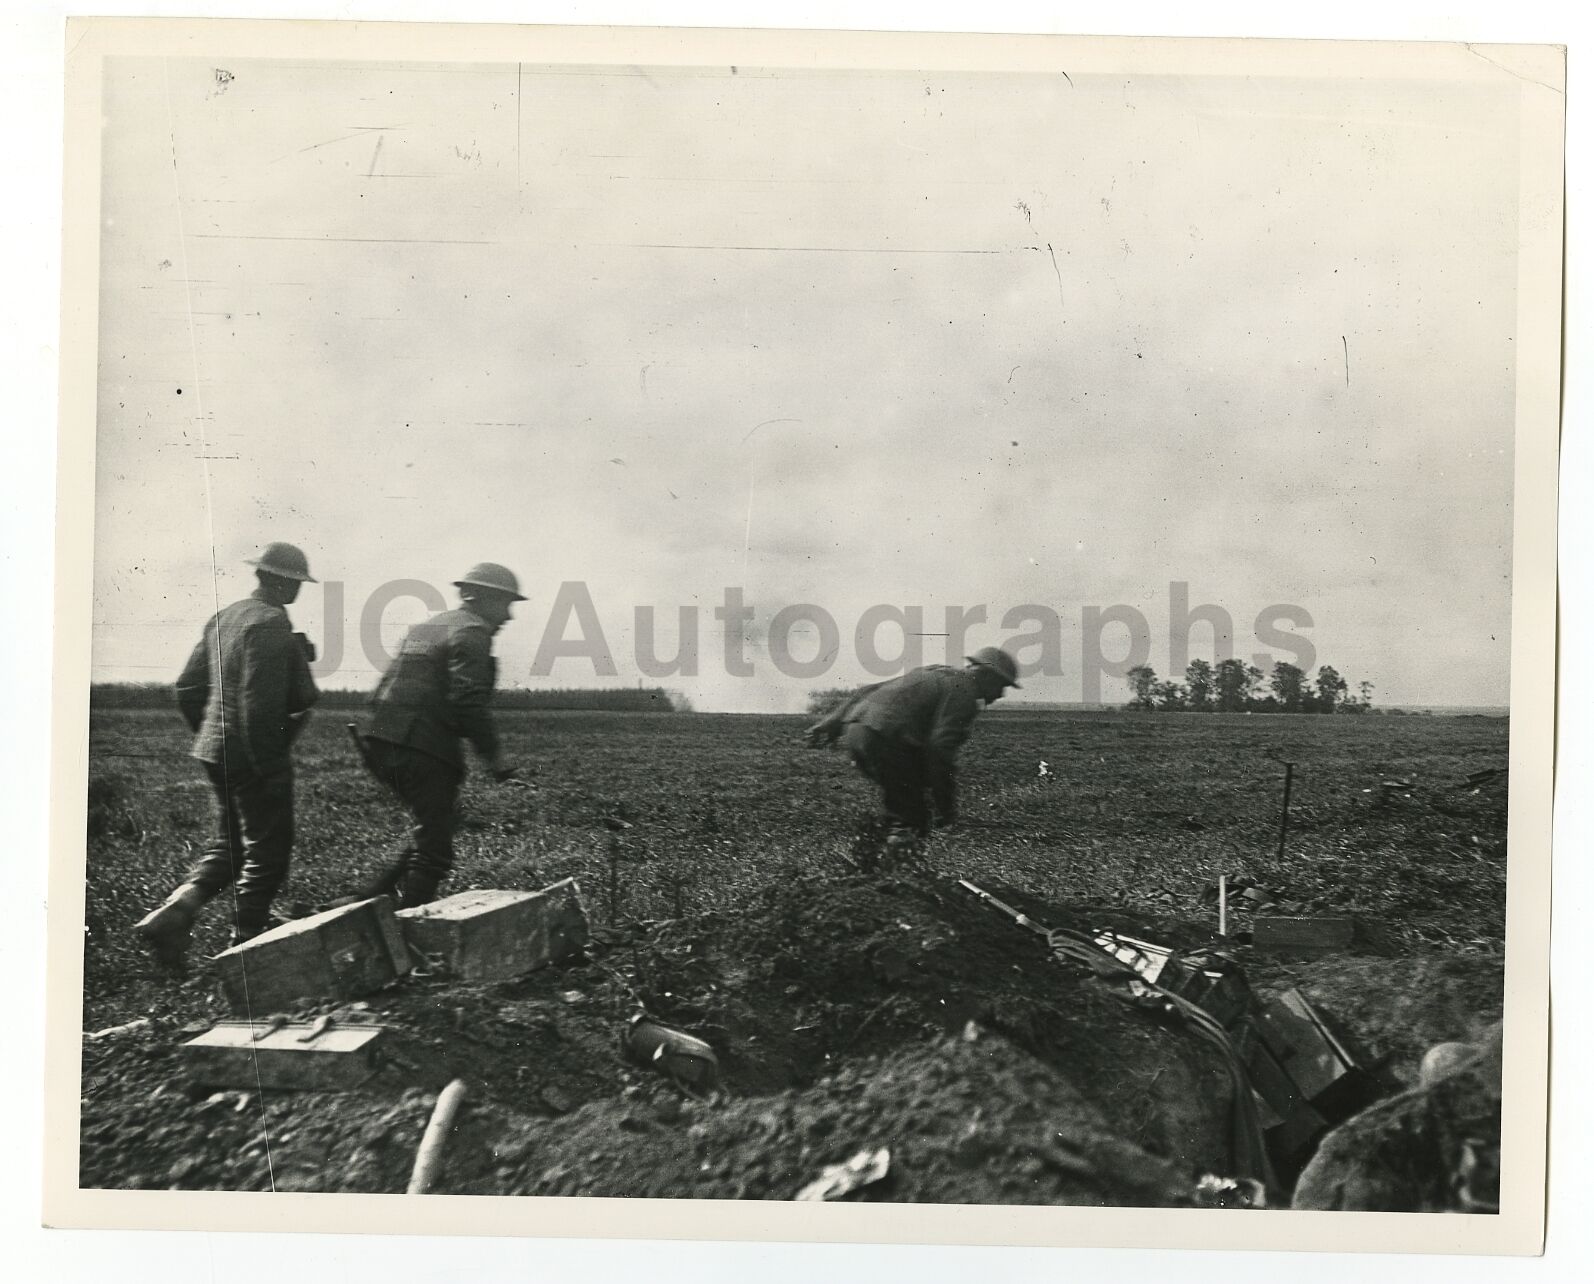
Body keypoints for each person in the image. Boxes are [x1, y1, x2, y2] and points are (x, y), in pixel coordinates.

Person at [134, 542, 320, 967]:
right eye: (294, 582)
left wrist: (212, 734)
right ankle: (245, 949)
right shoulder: (272, 622)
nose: (296, 590)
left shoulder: (225, 617)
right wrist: (266, 764)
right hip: (253, 754)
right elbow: (258, 706)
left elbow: (186, 687)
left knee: (231, 843)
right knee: (269, 849)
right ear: (283, 582)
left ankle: (174, 912)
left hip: (216, 751)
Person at [355, 562, 527, 908]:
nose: (509, 616)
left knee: (438, 824)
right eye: (505, 604)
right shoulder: (472, 632)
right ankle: (406, 930)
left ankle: (369, 900)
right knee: (436, 848)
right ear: (482, 599)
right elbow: (469, 703)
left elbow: (380, 691)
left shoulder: (427, 627)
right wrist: (496, 760)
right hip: (422, 748)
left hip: (380, 741)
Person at [804, 646, 1021, 860]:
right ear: (984, 675)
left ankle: (874, 858)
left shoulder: (934, 672)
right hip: (885, 739)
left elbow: (866, 691)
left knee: (905, 800)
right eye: (1001, 684)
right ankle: (896, 877)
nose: (1001, 694)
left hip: (856, 731)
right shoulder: (964, 691)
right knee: (912, 818)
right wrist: (944, 804)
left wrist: (830, 724)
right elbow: (940, 750)